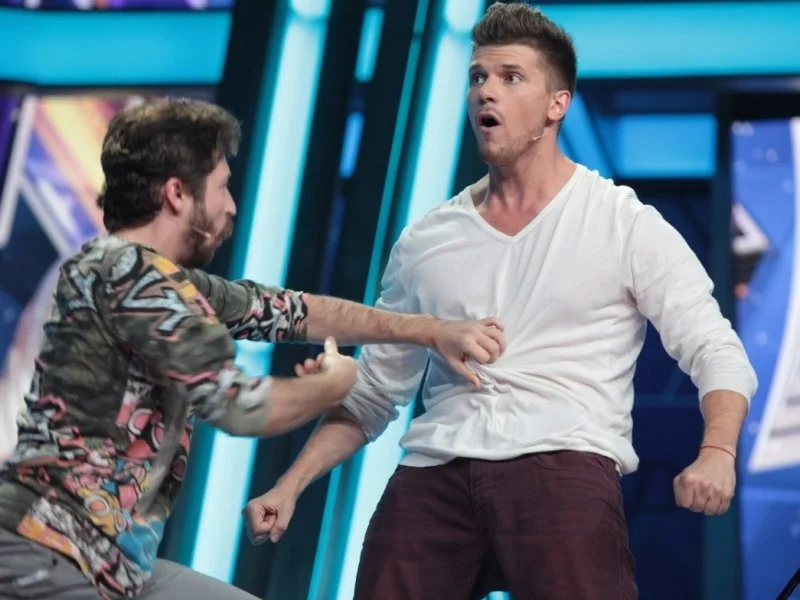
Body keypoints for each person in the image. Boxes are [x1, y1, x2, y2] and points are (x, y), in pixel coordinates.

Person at [242, 3, 758, 599]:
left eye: (511, 77)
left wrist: (717, 450)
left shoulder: (624, 223)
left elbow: (716, 350)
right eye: (478, 77)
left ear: (556, 104)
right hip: (433, 476)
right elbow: (376, 391)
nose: (487, 91)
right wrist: (291, 484)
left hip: (562, 467)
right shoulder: (427, 239)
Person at [0, 98, 505, 600]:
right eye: (221, 187)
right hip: (47, 550)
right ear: (177, 193)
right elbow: (241, 407)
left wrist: (427, 329)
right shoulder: (131, 278)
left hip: (117, 566)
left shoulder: (159, 280)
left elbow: (294, 311)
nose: (231, 207)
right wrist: (334, 385)